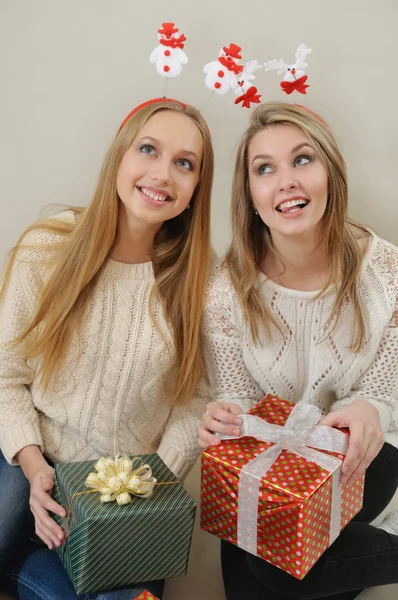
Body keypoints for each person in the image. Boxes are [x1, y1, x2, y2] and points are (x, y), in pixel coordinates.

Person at [0, 98, 214, 599]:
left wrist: (150, 489)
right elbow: (6, 374)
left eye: (184, 163)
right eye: (148, 149)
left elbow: (197, 399)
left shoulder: (202, 282)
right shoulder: (46, 249)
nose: (163, 174)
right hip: (29, 464)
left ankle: (32, 561)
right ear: (119, 156)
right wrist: (35, 471)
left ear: (195, 189)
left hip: (124, 495)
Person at [199, 101, 398, 600]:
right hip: (279, 458)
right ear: (251, 194)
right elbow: (239, 396)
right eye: (264, 169)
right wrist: (227, 417)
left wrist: (370, 406)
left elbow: (384, 385)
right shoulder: (226, 288)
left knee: (276, 569)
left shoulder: (386, 271)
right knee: (257, 566)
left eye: (302, 160)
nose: (285, 181)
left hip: (368, 453)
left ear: (331, 173)